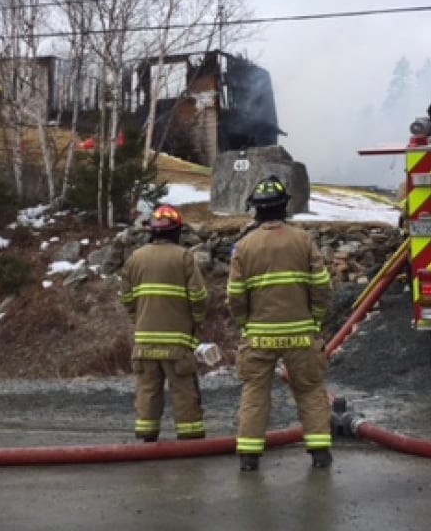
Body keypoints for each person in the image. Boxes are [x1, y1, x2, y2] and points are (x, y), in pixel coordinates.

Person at [226, 175, 335, 472]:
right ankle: (320, 452)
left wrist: (245, 324)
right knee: (310, 390)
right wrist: (314, 319)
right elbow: (322, 286)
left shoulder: (244, 246)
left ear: (256, 210)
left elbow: (235, 295)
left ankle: (249, 457)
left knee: (255, 392)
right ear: (284, 206)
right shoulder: (303, 240)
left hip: (259, 335)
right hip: (301, 333)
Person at [119, 203, 209, 442]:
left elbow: (127, 298)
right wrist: (196, 323)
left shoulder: (135, 259)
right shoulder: (184, 257)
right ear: (176, 231)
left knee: (147, 391)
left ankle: (146, 438)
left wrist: (137, 320)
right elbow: (199, 297)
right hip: (177, 343)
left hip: (144, 342)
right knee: (184, 391)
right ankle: (190, 440)